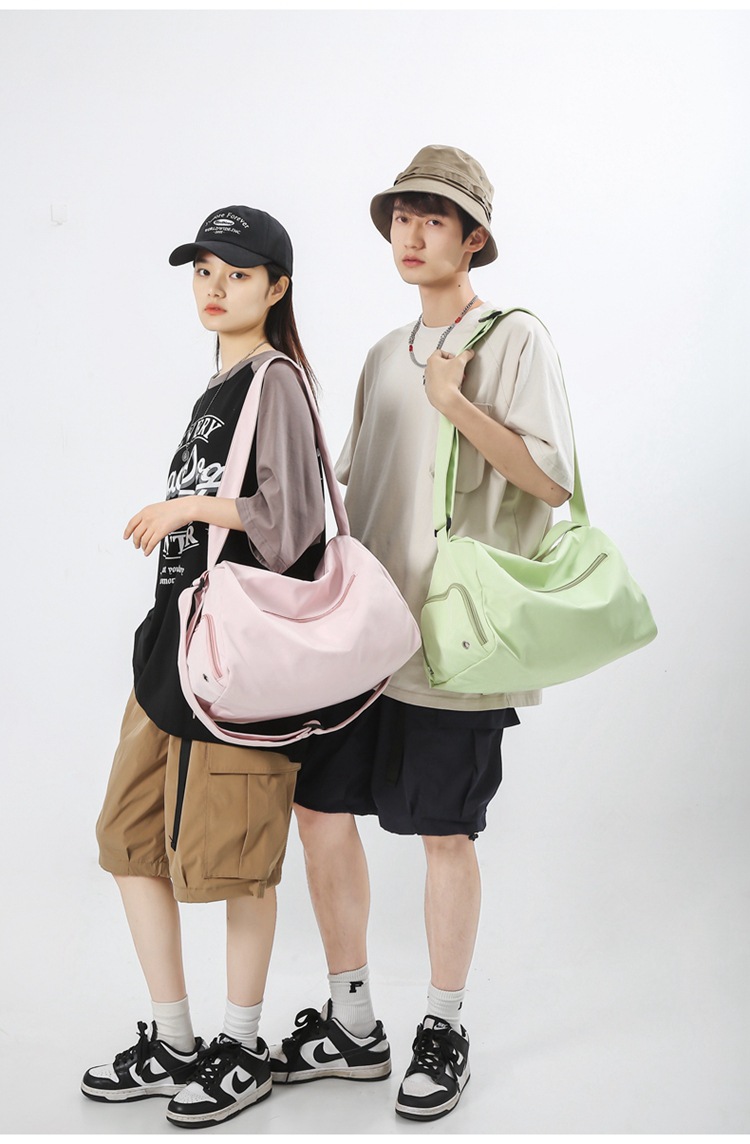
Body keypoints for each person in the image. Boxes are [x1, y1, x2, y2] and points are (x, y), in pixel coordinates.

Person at [268, 146, 575, 1122]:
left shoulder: (512, 341)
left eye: (434, 218)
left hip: (454, 639)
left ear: (473, 238)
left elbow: (550, 481)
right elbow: (351, 491)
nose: (411, 233)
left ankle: (444, 1024)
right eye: (402, 216)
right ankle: (354, 1022)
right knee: (319, 809)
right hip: (364, 636)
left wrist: (454, 403)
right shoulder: (378, 356)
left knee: (446, 832)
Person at [81, 205, 326, 1129]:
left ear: (277, 287)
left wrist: (190, 510)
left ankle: (243, 1045)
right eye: (203, 272)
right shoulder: (218, 386)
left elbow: (294, 526)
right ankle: (176, 1041)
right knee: (129, 839)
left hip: (240, 658)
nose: (215, 288)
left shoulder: (276, 382)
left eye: (237, 273)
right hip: (175, 644)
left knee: (237, 861)